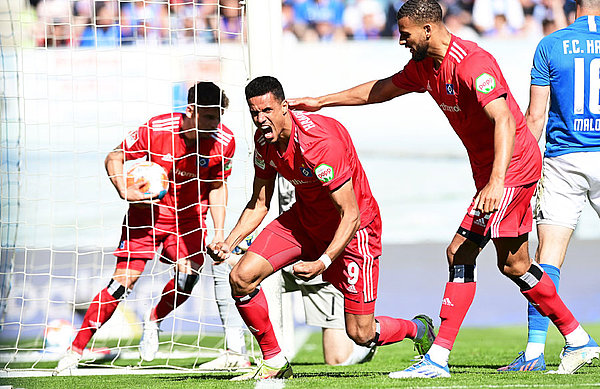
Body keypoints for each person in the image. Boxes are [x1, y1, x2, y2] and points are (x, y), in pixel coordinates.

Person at [288, 0, 599, 378]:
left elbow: (503, 119)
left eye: (405, 33)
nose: (401, 40)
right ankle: (579, 339)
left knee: (459, 252)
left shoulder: (472, 62)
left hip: (512, 170)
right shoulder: (424, 68)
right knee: (515, 265)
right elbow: (381, 89)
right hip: (497, 173)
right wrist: (322, 101)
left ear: (428, 29)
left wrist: (497, 182)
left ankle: (437, 358)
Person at [208, 76, 436, 380]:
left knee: (360, 333)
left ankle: (418, 328)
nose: (260, 120)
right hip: (304, 222)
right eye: (254, 113)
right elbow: (259, 203)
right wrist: (228, 240)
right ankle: (274, 360)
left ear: (284, 106)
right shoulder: (264, 143)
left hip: (355, 233)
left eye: (267, 110)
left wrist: (323, 261)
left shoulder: (319, 144)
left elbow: (350, 214)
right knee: (241, 277)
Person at [54, 82, 235, 374]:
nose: (215, 123)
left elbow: (217, 186)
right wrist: (123, 189)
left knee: (187, 279)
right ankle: (75, 350)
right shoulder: (156, 128)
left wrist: (219, 231)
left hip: (188, 220)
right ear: (190, 110)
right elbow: (114, 157)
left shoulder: (224, 142)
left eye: (218, 117)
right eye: (209, 116)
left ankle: (154, 321)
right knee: (120, 284)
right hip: (146, 216)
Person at [498, 0, 600, 372]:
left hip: (564, 159)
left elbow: (535, 117)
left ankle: (535, 351)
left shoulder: (552, 45)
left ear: (575, 5)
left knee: (547, 259)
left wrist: (515, 170)